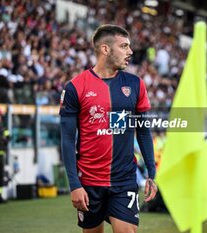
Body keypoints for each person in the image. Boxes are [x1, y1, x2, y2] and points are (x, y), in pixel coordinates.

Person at [60, 24, 158, 233]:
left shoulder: (135, 84)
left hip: (123, 180)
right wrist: (74, 185)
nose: (130, 52)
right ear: (105, 49)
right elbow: (67, 139)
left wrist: (151, 171)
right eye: (124, 46)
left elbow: (142, 130)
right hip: (89, 181)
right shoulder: (76, 87)